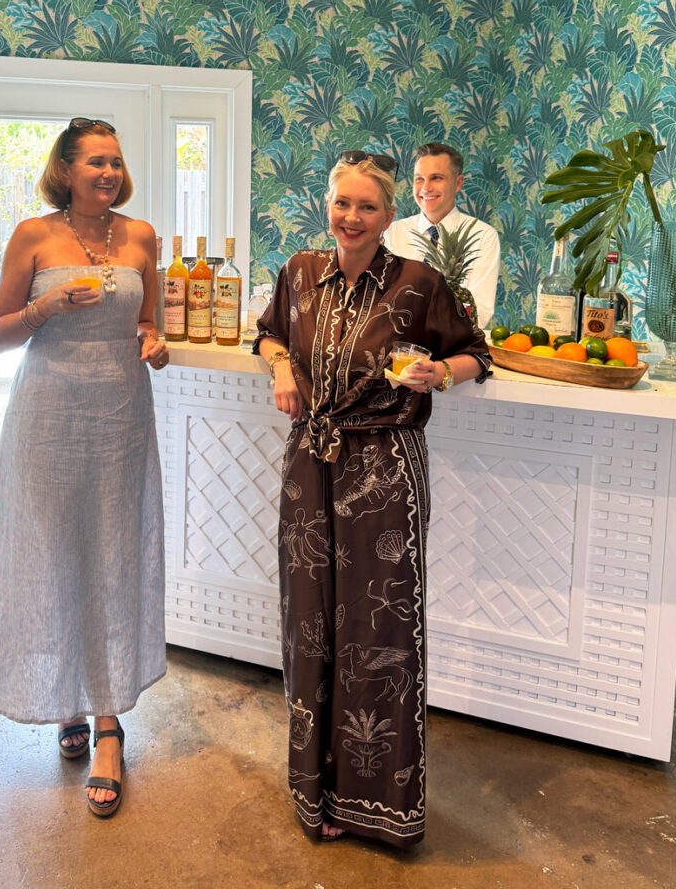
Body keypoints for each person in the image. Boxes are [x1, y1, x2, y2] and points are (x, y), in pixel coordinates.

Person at [255, 149, 490, 847]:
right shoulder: (300, 271)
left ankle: (379, 805)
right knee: (308, 622)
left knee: (378, 632)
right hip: (310, 461)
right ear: (326, 205)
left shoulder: (419, 282)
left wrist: (437, 373)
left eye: (367, 207)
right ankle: (316, 792)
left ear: (389, 216)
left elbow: (477, 353)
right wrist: (281, 368)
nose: (351, 217)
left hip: (386, 467)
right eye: (342, 203)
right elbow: (267, 333)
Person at [0, 117, 169, 819]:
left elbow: (150, 322)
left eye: (116, 161)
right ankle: (67, 700)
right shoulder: (33, 234)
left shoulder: (142, 236)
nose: (109, 172)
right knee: (55, 552)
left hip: (120, 413)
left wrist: (154, 341)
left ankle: (109, 724)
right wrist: (48, 304)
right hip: (48, 411)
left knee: (113, 555)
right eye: (95, 162)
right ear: (65, 170)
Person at [386, 143, 501, 329]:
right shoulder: (393, 232)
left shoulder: (482, 236)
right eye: (419, 179)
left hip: (454, 341)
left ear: (458, 183)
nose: (425, 188)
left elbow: (478, 312)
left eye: (436, 178)